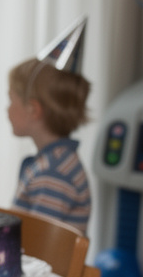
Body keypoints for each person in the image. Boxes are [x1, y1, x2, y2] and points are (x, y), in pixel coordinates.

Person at [6, 29, 93, 231]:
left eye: (11, 100)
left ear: (33, 110)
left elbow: (38, 247)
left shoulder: (53, 173)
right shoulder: (55, 162)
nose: (7, 109)